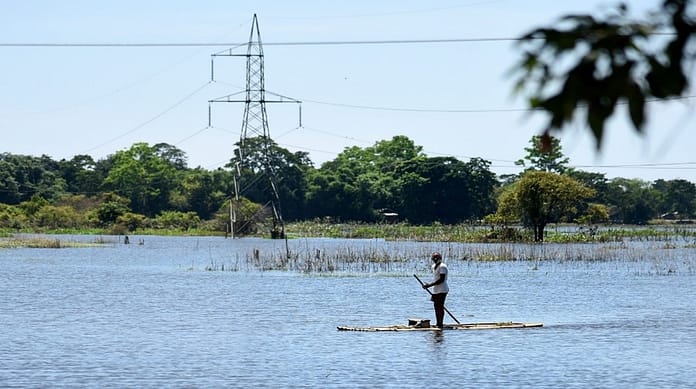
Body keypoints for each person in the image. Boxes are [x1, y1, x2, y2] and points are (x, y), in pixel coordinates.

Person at [422, 252, 449, 328]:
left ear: (440, 258)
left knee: (440, 307)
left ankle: (440, 324)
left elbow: (441, 279)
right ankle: (438, 323)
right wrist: (428, 285)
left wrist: (429, 285)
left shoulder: (442, 266)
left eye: (437, 257)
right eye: (434, 257)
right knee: (436, 307)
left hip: (442, 290)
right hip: (436, 290)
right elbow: (436, 279)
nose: (435, 259)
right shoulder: (433, 266)